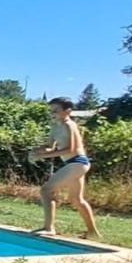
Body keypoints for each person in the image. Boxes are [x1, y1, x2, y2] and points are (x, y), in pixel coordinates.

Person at [28, 97, 101, 239]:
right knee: (76, 199)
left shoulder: (70, 125)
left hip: (78, 161)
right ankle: (93, 233)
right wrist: (36, 151)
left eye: (56, 110)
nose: (53, 113)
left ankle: (49, 228)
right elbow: (50, 147)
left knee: (46, 190)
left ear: (68, 111)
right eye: (51, 110)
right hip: (72, 164)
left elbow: (71, 150)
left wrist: (43, 156)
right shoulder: (55, 127)